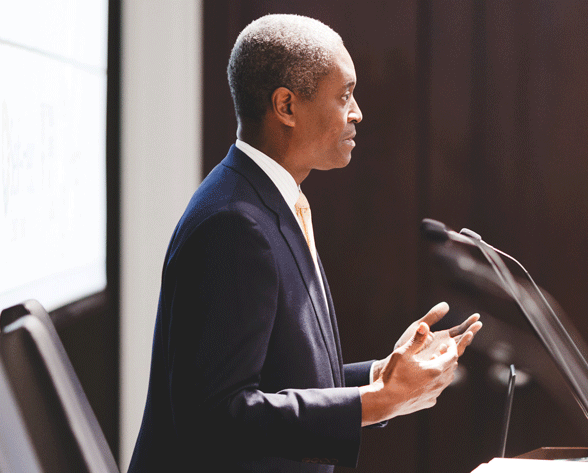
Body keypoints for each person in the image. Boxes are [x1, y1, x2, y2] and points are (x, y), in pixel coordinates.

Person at [127, 14, 482, 473]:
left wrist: (382, 376)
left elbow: (282, 380)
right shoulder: (235, 223)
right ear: (287, 106)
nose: (357, 112)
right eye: (345, 95)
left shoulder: (264, 198)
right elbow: (216, 416)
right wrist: (374, 403)